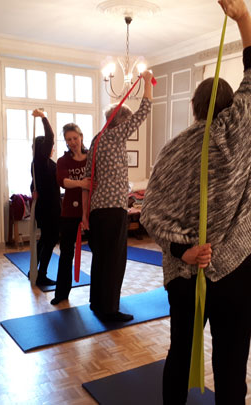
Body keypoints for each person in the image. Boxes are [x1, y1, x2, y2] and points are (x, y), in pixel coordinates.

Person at [140, 1, 251, 403]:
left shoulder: (173, 150)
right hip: (236, 272)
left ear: (193, 107)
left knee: (181, 356)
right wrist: (243, 19)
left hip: (188, 275)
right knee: (231, 363)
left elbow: (150, 213)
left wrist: (181, 251)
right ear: (231, 107)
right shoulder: (240, 136)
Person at [82, 70, 153, 322]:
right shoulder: (115, 134)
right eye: (127, 123)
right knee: (114, 261)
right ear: (120, 122)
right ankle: (109, 310)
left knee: (101, 259)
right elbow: (145, 110)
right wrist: (147, 81)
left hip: (98, 210)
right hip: (113, 210)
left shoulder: (96, 139)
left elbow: (89, 181)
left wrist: (85, 214)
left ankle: (96, 303)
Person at [50, 123, 91, 305]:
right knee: (66, 254)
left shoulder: (91, 158)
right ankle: (61, 294)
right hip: (69, 213)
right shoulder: (63, 161)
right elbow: (63, 181)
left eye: (75, 138)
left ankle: (98, 296)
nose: (73, 142)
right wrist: (82, 183)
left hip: (91, 212)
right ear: (65, 142)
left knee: (97, 251)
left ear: (81, 137)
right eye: (69, 139)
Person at [31, 109, 61, 286]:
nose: (52, 148)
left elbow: (34, 182)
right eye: (50, 147)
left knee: (45, 240)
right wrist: (43, 117)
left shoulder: (41, 163)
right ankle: (41, 275)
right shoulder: (41, 161)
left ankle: (33, 270)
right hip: (48, 208)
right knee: (49, 241)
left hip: (48, 206)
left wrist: (34, 189)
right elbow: (50, 135)